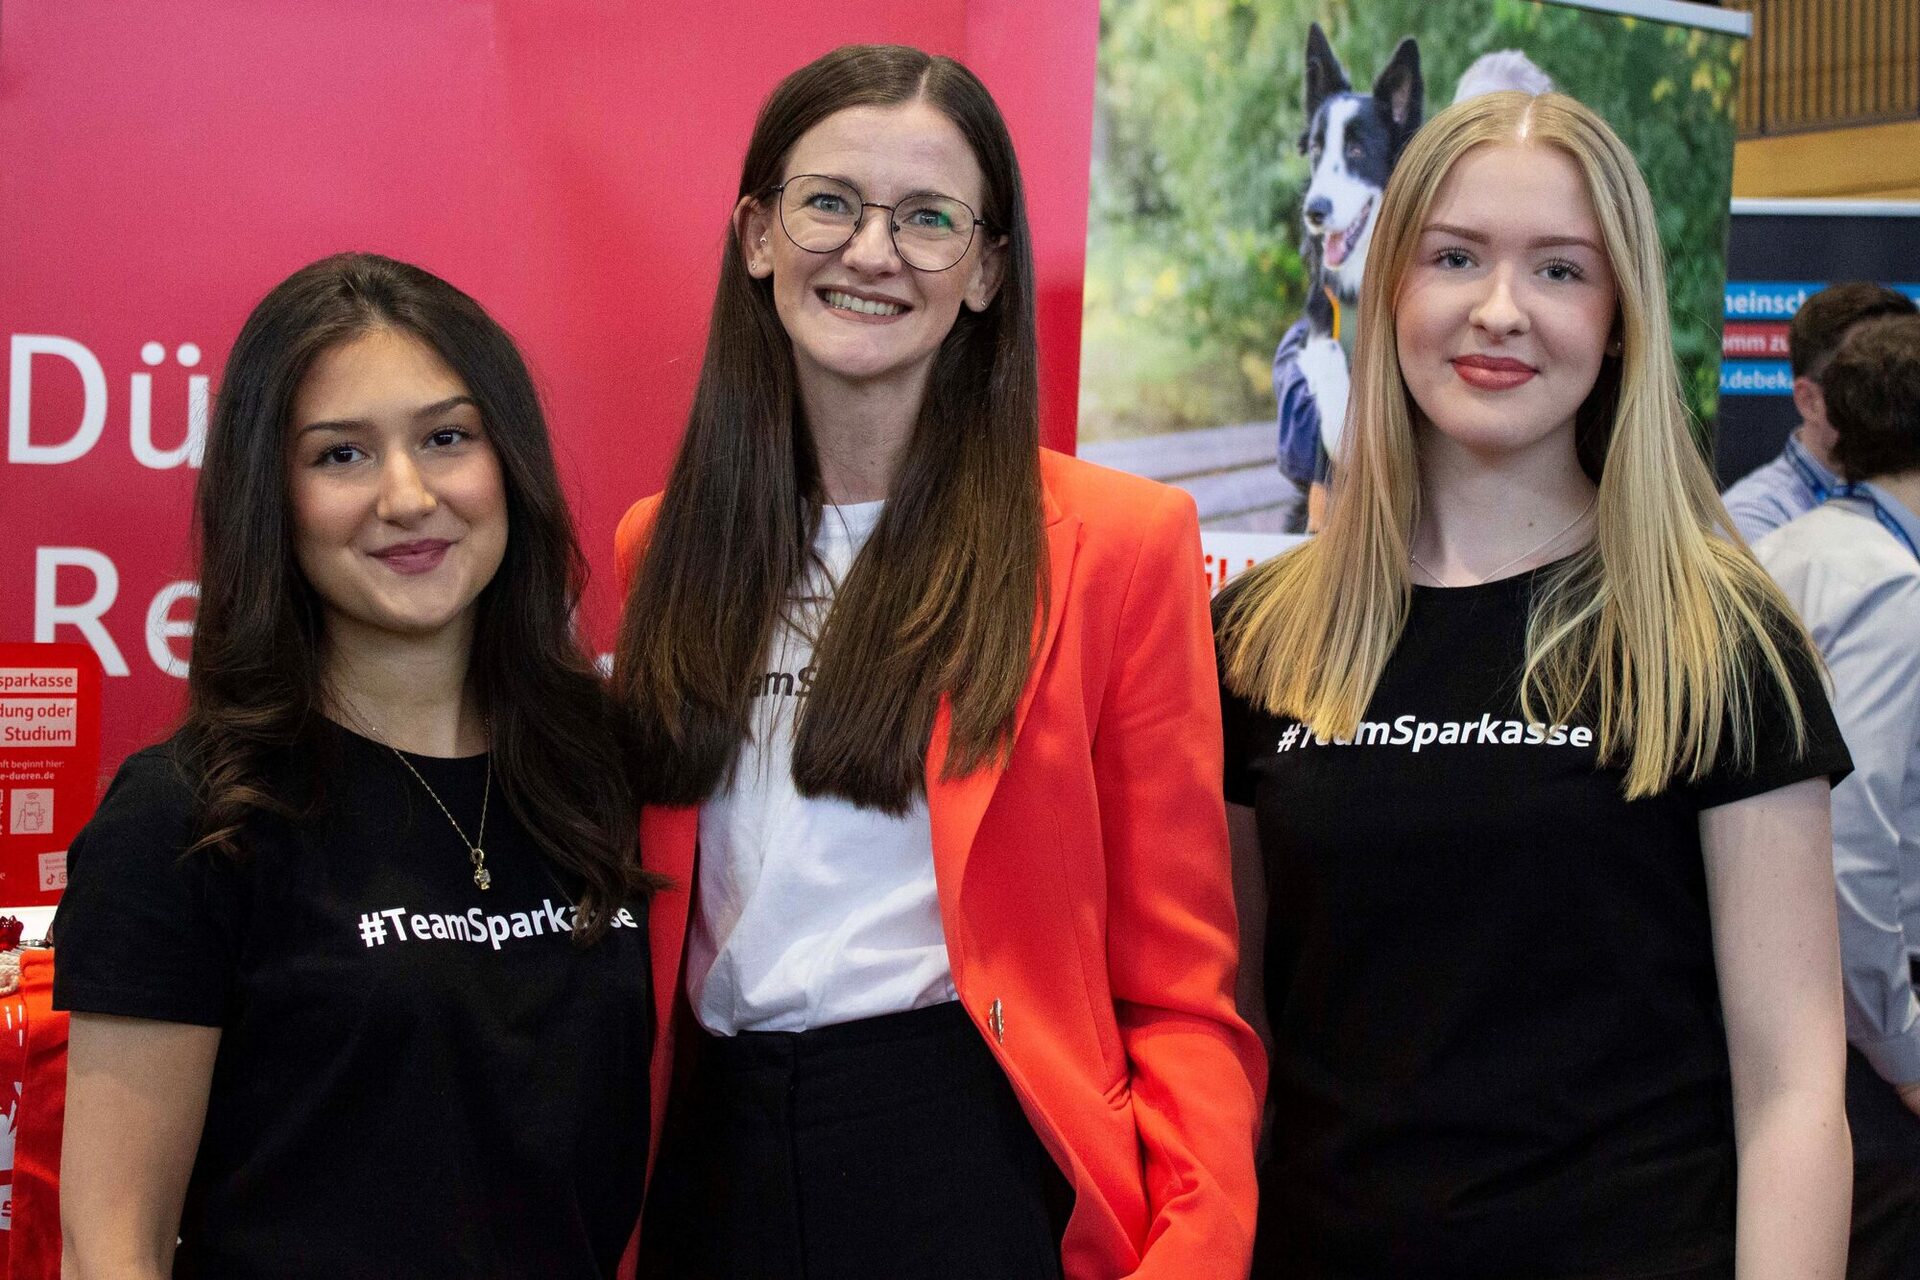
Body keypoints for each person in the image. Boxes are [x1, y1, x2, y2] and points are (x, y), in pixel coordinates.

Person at [612, 44, 1262, 1280]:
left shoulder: (1117, 548)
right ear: (757, 235)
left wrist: (1195, 1248)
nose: (872, 251)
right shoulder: (666, 547)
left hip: (966, 1161)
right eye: (829, 203)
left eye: (927, 218)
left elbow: (1180, 990)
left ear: (987, 269)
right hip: (711, 1166)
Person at [1216, 92, 1854, 1278]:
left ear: (1617, 320)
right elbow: (1233, 1041)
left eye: (1560, 269)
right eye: (1455, 257)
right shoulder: (1263, 637)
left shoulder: (1714, 631)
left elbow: (1794, 1091)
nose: (1499, 309)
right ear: (1387, 289)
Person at [53, 253, 657, 1280]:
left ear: (508, 461)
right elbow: (112, 1244)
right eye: (341, 455)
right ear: (272, 496)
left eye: (447, 437)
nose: (408, 496)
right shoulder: (187, 817)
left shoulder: (607, 773)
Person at [1756, 314, 1920, 1280]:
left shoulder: (1797, 544)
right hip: (1858, 1020)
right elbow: (1850, 846)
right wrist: (1904, 1053)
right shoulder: (1891, 586)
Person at [1721, 282, 1916, 543]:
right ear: (1809, 400)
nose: (1898, 401)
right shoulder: (1753, 521)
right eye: (1866, 382)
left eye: (1906, 379)